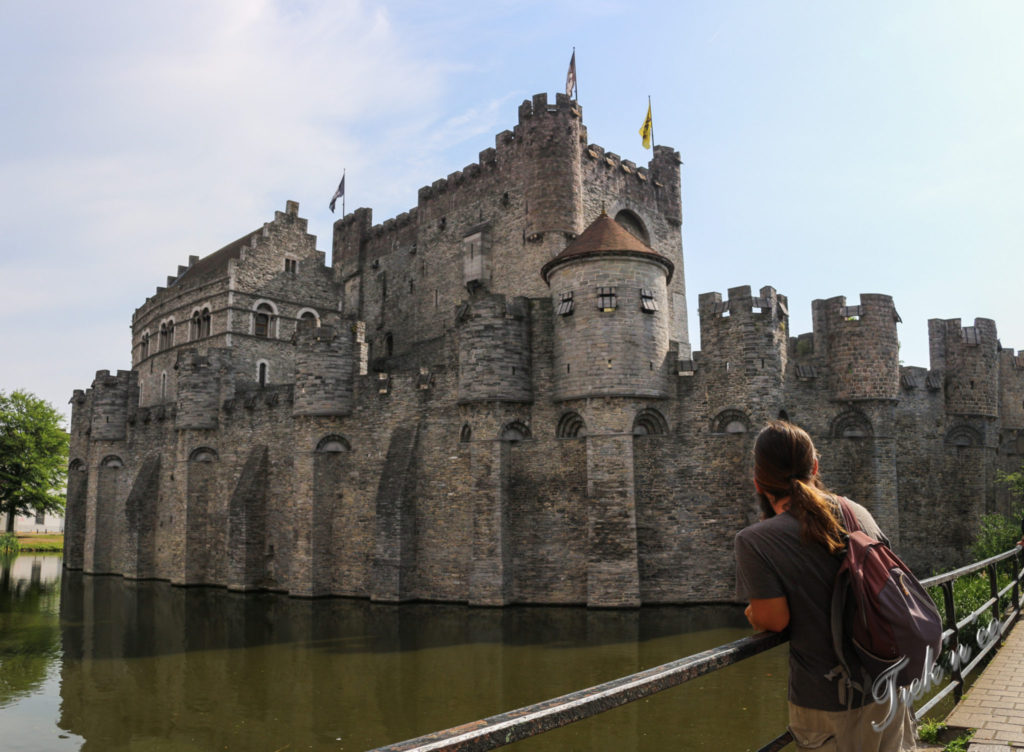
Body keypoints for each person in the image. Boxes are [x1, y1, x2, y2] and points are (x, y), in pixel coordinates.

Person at [734, 420, 917, 752]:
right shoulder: (858, 513)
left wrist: (753, 612)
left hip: (828, 701)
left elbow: (773, 620)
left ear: (758, 483)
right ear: (815, 466)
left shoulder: (754, 540)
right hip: (888, 686)